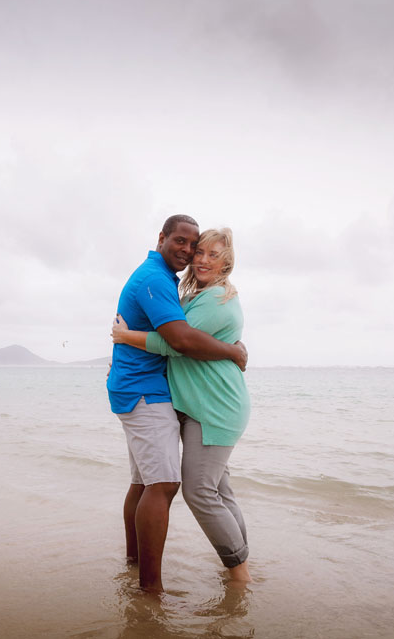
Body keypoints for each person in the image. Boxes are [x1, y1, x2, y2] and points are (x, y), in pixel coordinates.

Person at [107, 216, 248, 593]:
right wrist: (233, 352)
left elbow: (180, 340)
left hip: (193, 403)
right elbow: (179, 340)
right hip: (147, 392)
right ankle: (149, 589)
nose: (194, 255)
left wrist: (125, 338)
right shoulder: (161, 281)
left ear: (226, 263)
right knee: (165, 484)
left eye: (205, 251)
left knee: (158, 484)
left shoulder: (200, 294)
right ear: (162, 239)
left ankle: (236, 568)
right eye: (189, 246)